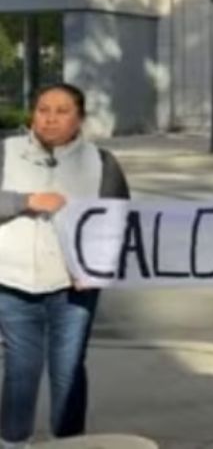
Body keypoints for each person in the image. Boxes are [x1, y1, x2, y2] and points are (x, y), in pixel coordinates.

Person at [0, 83, 130, 448]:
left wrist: (98, 267)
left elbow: (117, 222)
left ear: (80, 118)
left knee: (68, 369)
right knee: (20, 369)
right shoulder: (6, 153)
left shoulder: (101, 162)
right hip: (12, 283)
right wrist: (26, 200)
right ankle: (12, 442)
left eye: (62, 111)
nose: (50, 119)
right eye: (43, 109)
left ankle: (69, 442)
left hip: (74, 288)